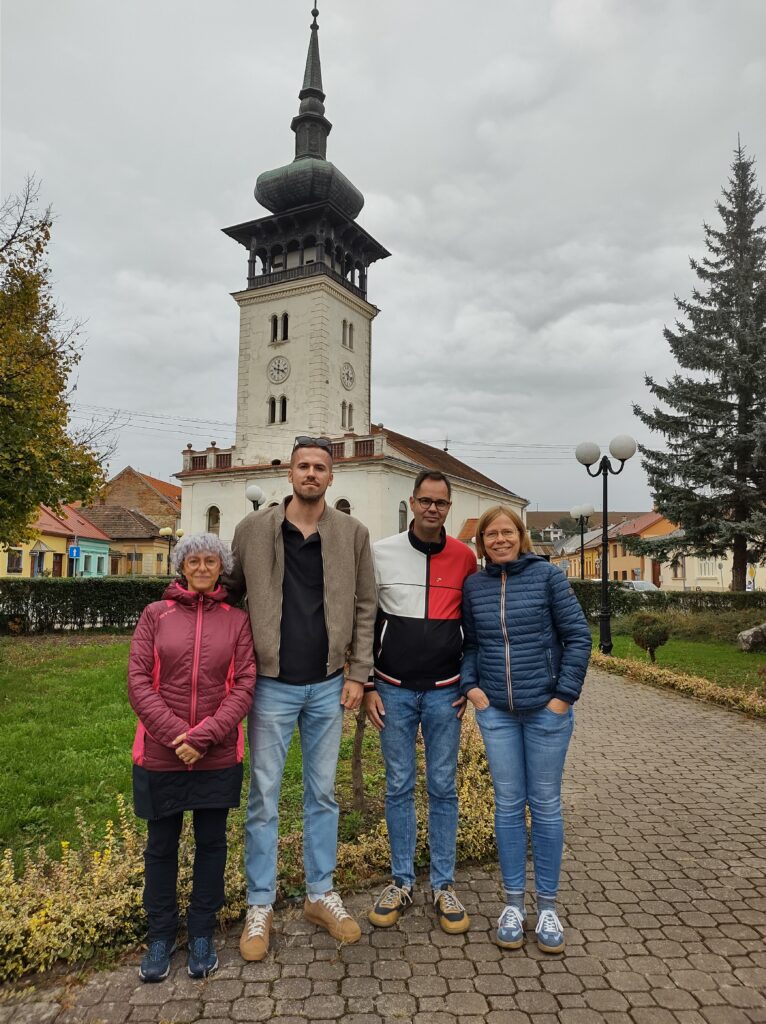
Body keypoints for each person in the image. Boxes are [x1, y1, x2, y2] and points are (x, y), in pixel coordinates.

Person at [225, 436, 377, 961]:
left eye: (320, 467)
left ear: (332, 478)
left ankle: (319, 893)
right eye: (302, 466)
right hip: (271, 684)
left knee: (323, 794)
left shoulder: (352, 534)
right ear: (289, 474)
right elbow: (229, 593)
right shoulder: (252, 530)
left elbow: (365, 605)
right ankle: (260, 904)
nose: (311, 474)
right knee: (264, 797)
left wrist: (359, 672)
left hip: (329, 684)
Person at [460, 506, 591, 954]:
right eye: (490, 534)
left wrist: (563, 697)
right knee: (509, 805)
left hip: (545, 712)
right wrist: (472, 688)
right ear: (482, 542)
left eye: (506, 532)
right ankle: (514, 904)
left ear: (521, 536)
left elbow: (578, 637)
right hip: (496, 712)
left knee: (547, 805)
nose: (499, 540)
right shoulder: (474, 586)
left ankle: (548, 906)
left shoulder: (548, 577)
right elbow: (471, 644)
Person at [128, 533, 256, 983]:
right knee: (160, 847)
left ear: (221, 567)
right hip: (160, 754)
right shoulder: (154, 615)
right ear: (181, 566)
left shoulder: (236, 621)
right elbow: (138, 681)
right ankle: (161, 935)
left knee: (212, 845)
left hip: (216, 754)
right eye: (194, 560)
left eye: (211, 561)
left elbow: (243, 684)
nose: (202, 568)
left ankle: (201, 931)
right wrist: (175, 735)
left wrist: (203, 737)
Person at [364, 471, 477, 934]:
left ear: (449, 507)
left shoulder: (465, 558)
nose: (433, 509)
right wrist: (368, 683)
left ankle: (444, 884)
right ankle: (402, 880)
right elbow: (365, 620)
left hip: (445, 692)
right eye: (426, 501)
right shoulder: (382, 552)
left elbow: (476, 629)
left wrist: (467, 684)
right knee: (397, 785)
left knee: (443, 786)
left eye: (441, 503)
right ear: (412, 502)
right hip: (392, 688)